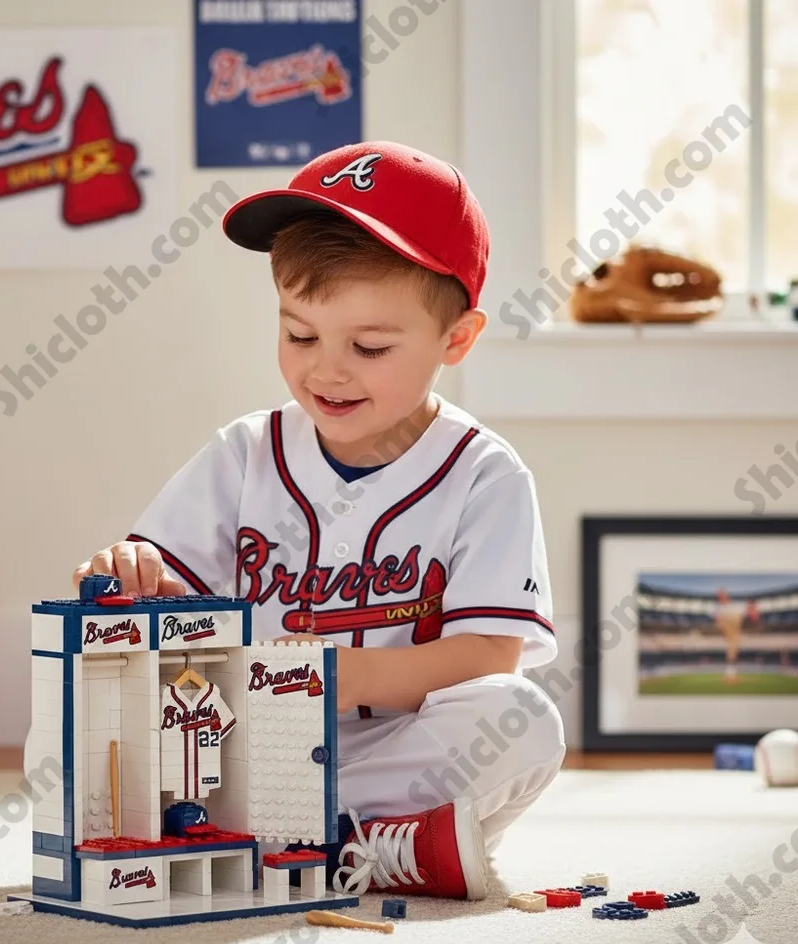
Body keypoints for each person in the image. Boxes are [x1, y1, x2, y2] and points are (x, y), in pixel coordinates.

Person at [71, 141, 566, 901]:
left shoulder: (484, 472)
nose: (326, 370)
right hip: (248, 747)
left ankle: (327, 840)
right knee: (102, 706)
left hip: (402, 751)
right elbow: (155, 580)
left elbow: (490, 655)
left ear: (457, 338)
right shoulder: (246, 452)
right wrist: (121, 573)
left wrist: (343, 676)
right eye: (300, 334)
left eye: (368, 346)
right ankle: (357, 846)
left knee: (524, 719)